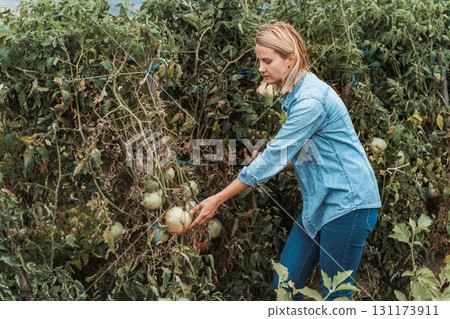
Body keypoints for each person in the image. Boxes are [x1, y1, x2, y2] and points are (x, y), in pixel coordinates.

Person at [188, 22, 381, 301]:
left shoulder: (310, 101)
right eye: (259, 60)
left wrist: (217, 198)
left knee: (335, 295)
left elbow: (275, 157)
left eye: (267, 61)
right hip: (320, 203)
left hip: (348, 205)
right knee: (285, 284)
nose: (260, 68)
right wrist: (276, 161)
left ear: (290, 58)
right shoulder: (297, 95)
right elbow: (313, 154)